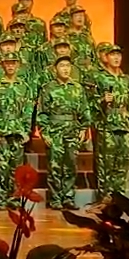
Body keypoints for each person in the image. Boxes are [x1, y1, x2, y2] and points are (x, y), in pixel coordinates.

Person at [37, 55, 93, 209]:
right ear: (55, 69)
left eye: (68, 66)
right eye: (62, 66)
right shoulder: (48, 88)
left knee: (71, 165)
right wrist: (44, 132)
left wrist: (83, 128)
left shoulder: (77, 88)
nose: (65, 69)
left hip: (72, 130)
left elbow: (84, 110)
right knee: (55, 166)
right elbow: (42, 112)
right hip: (55, 130)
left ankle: (68, 197)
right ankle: (55, 199)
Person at [0, 52, 35, 209]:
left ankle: (15, 199)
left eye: (13, 63)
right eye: (7, 63)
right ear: (2, 65)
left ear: (18, 65)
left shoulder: (24, 87)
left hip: (18, 132)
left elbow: (28, 110)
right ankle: (1, 200)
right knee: (2, 167)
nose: (10, 66)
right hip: (2, 132)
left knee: (17, 170)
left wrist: (26, 130)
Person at [93, 45, 129, 200]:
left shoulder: (126, 79)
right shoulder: (99, 78)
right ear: (106, 58)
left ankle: (120, 198)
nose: (116, 58)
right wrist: (102, 100)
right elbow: (89, 103)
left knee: (122, 163)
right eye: (113, 55)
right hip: (107, 125)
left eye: (119, 55)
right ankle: (105, 198)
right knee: (106, 164)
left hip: (123, 125)